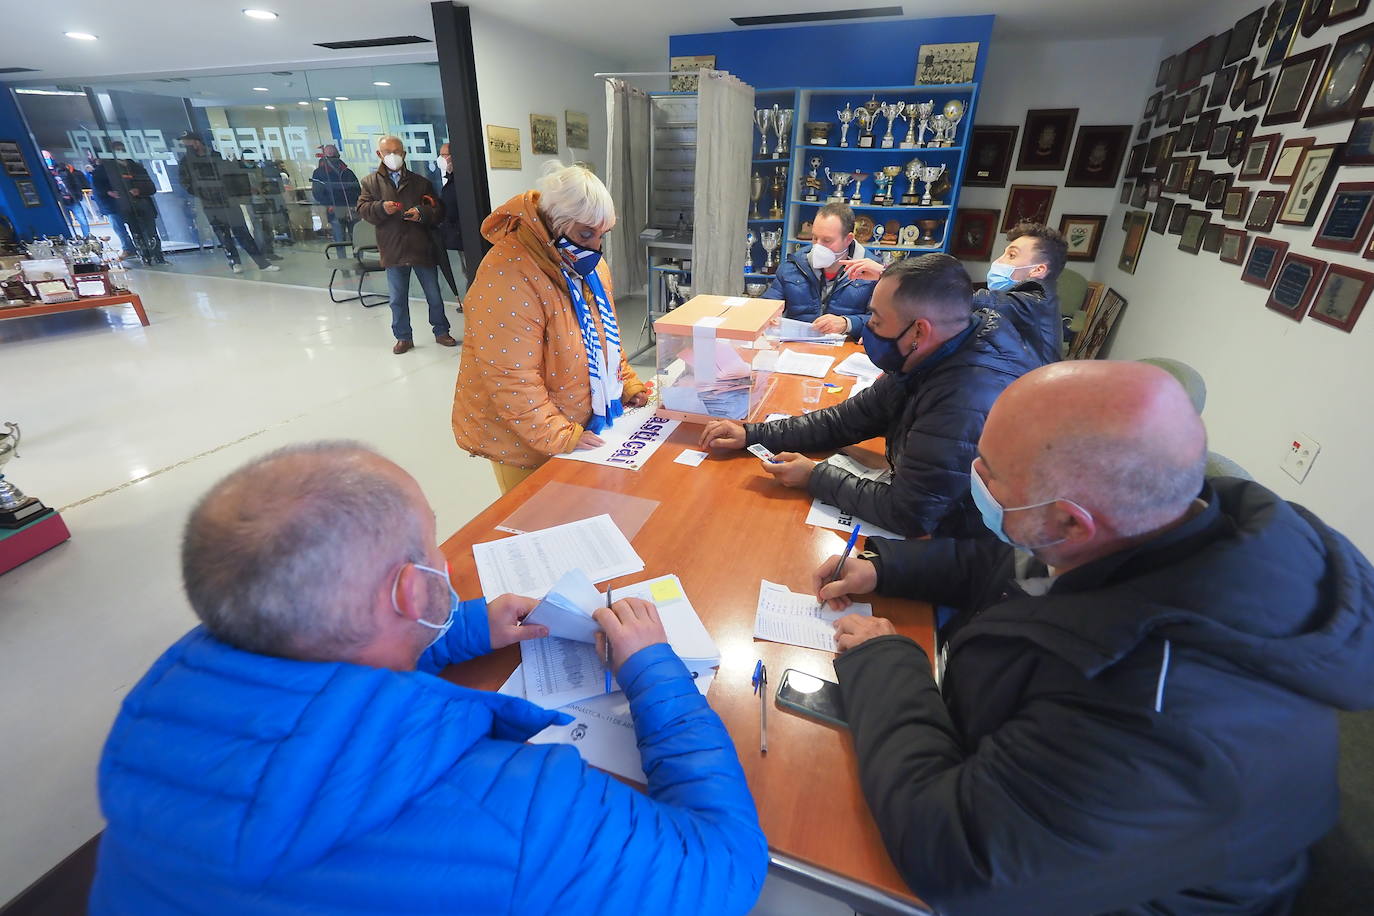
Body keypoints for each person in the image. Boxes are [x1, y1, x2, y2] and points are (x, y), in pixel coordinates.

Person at [89, 442, 768, 914]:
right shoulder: (520, 818)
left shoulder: (158, 725)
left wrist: (462, 628)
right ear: (413, 592)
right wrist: (654, 669)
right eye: (432, 544)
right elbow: (727, 865)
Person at [814, 360, 1374, 916]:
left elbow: (957, 858)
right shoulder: (1171, 524)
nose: (974, 476)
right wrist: (886, 566)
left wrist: (885, 661)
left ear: (1071, 523)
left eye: (989, 472)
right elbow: (1015, 566)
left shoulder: (1159, 711)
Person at [700, 254, 1041, 538]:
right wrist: (753, 434)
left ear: (919, 331)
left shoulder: (967, 395)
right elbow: (850, 419)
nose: (869, 328)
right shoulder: (934, 350)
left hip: (956, 545)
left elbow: (909, 512)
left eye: (876, 319)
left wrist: (814, 476)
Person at [451, 161, 649, 494]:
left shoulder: (588, 266)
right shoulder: (507, 274)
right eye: (586, 234)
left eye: (603, 235)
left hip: (577, 424)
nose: (596, 247)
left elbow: (605, 336)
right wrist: (560, 435)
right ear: (552, 223)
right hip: (522, 441)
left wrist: (626, 382)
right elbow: (511, 378)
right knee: (533, 522)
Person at [357, 135, 455, 355]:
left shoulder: (421, 182)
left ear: (404, 153)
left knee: (434, 294)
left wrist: (421, 213)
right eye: (388, 151)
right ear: (379, 154)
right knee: (397, 299)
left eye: (397, 151)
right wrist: (382, 208)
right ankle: (403, 337)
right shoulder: (370, 183)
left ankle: (441, 331)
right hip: (393, 248)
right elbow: (363, 210)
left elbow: (437, 210)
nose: (393, 156)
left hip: (421, 246)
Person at [762, 202, 876, 337]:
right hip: (797, 347)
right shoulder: (794, 264)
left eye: (827, 240)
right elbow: (768, 305)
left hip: (845, 349)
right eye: (815, 238)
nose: (817, 246)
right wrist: (768, 317)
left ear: (848, 239)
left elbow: (880, 322)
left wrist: (848, 323)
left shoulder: (872, 272)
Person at [176, 131, 279, 274]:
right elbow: (185, 183)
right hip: (210, 204)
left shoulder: (216, 156)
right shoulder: (186, 162)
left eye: (188, 142)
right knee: (223, 235)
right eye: (184, 143)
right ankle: (234, 262)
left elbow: (232, 176)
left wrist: (234, 193)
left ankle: (262, 263)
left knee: (242, 232)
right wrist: (203, 192)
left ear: (197, 141)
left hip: (228, 201)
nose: (186, 145)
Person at [974, 222, 1068, 365]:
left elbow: (978, 301)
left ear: (1038, 270)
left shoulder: (1035, 299)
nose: (998, 261)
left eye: (1011, 255)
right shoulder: (1040, 296)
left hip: (1032, 384)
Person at [90, 142, 165, 265]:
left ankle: (158, 256)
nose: (121, 152)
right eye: (117, 150)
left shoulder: (136, 168)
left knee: (151, 232)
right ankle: (145, 257)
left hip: (143, 205)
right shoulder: (106, 170)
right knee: (136, 233)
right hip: (125, 207)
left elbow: (151, 187)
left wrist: (139, 190)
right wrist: (109, 193)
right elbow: (98, 187)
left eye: (122, 149)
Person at [432, 142, 466, 306]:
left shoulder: (463, 181)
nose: (442, 159)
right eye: (441, 155)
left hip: (464, 236)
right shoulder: (449, 180)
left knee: (471, 272)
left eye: (445, 155)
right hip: (455, 237)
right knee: (465, 272)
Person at [310, 144, 361, 243]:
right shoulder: (320, 173)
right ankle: (341, 258)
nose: (333, 159)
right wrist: (329, 204)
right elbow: (318, 193)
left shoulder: (347, 172)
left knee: (356, 238)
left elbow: (357, 189)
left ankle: (358, 257)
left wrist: (355, 204)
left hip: (351, 209)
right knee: (339, 239)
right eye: (331, 156)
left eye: (334, 155)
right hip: (334, 210)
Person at [47, 156, 90, 237]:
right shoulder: (46, 174)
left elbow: (74, 182)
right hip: (61, 201)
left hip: (73, 199)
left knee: (83, 220)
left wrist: (78, 195)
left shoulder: (63, 170)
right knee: (66, 222)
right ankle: (71, 239)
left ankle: (87, 238)